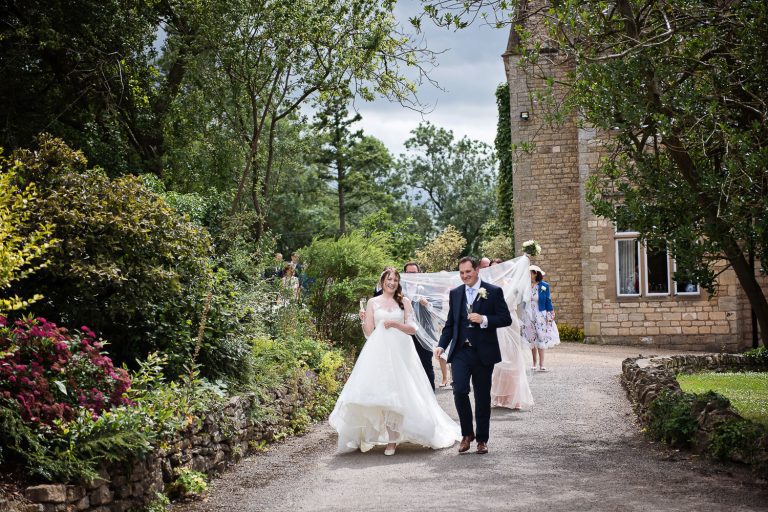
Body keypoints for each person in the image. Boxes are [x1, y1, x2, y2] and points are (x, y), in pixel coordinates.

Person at [330, 268, 461, 456]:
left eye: (395, 279)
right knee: (381, 392)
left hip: (402, 352)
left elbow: (413, 329)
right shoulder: (372, 302)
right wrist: (363, 320)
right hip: (379, 351)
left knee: (400, 392)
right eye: (388, 279)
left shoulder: (404, 301)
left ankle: (393, 440)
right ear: (382, 281)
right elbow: (369, 332)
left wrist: (395, 324)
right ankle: (370, 435)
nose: (392, 282)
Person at [434, 256, 512, 455]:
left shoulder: (493, 291)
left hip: (484, 352)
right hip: (461, 351)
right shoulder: (455, 293)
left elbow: (505, 318)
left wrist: (484, 319)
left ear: (477, 270)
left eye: (468, 272)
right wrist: (441, 346)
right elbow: (451, 324)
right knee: (459, 390)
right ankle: (467, 434)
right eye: (461, 273)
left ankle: (482, 439)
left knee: (482, 397)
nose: (464, 276)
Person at [402, 262, 438, 391]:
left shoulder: (427, 288)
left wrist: (427, 303)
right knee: (408, 367)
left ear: (419, 273)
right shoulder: (399, 290)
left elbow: (437, 309)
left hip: (424, 333)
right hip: (404, 333)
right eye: (409, 273)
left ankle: (430, 397)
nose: (412, 275)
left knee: (426, 365)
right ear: (404, 274)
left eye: (414, 272)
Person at [522, 265, 560, 371]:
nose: (527, 275)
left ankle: (542, 364)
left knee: (541, 337)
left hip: (540, 315)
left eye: (529, 273)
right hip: (528, 315)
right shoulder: (526, 286)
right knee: (532, 338)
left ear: (535, 274)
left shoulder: (544, 286)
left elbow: (548, 300)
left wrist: (551, 312)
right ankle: (534, 362)